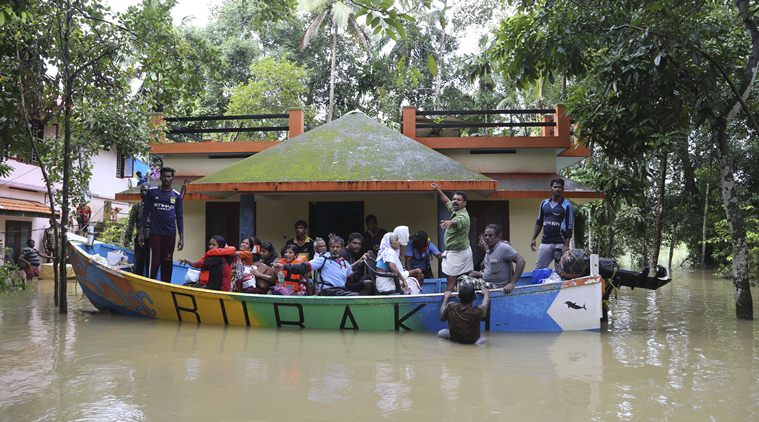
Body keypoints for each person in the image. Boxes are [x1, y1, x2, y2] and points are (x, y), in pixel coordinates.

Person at [274, 236, 365, 296]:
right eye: (332, 247)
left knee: (363, 291)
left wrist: (361, 263)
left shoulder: (345, 263)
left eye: (337, 247)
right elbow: (303, 267)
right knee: (354, 296)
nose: (335, 249)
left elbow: (353, 278)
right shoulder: (323, 259)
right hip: (327, 291)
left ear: (342, 248)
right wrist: (284, 267)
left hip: (340, 291)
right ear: (329, 247)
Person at [139, 167, 184, 283]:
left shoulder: (176, 196)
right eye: (164, 176)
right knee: (155, 261)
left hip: (170, 234)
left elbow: (179, 217)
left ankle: (166, 286)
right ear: (160, 177)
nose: (166, 179)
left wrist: (181, 238)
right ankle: (152, 284)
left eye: (169, 176)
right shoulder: (152, 192)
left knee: (167, 261)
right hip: (156, 233)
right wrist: (141, 232)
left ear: (172, 178)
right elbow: (145, 212)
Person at [432, 183, 473, 292]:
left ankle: (447, 302)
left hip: (459, 253)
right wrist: (438, 190)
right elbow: (446, 201)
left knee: (452, 282)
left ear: (464, 203)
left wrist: (450, 222)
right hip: (455, 252)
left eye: (458, 200)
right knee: (455, 281)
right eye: (454, 199)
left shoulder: (464, 216)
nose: (455, 201)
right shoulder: (455, 209)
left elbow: (457, 222)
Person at [530, 177, 574, 269]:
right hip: (545, 243)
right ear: (551, 188)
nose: (557, 189)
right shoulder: (544, 203)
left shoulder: (568, 205)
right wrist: (533, 238)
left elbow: (570, 226)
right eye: (555, 187)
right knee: (539, 270)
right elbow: (539, 222)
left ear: (563, 189)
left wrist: (566, 245)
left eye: (559, 187)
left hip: (560, 243)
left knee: (561, 271)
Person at [468, 224, 526, 294]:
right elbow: (493, 271)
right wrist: (480, 274)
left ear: (498, 236)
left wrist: (512, 283)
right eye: (485, 235)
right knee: (463, 277)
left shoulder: (503, 247)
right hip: (487, 283)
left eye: (490, 235)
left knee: (464, 282)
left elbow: (521, 261)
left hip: (496, 286)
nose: (487, 238)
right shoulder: (489, 249)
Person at [124, 185, 150, 276]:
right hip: (140, 239)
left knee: (150, 266)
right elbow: (131, 223)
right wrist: (128, 237)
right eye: (142, 191)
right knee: (138, 264)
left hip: (152, 240)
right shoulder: (136, 206)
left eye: (146, 191)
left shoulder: (154, 207)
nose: (144, 193)